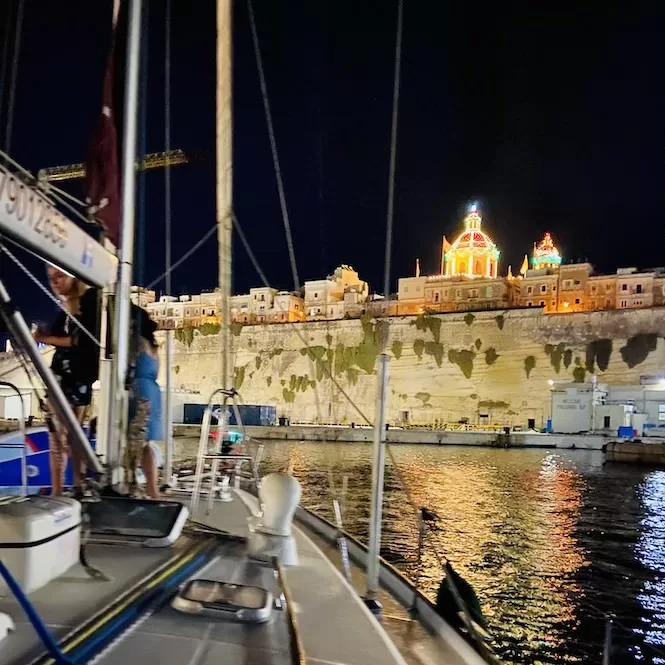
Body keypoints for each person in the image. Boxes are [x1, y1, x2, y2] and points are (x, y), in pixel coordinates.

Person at [33, 267, 100, 497]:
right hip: (78, 378)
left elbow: (75, 340)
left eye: (59, 277)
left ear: (73, 277)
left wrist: (44, 338)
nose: (54, 283)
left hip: (68, 377)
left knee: (60, 437)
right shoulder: (80, 304)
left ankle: (60, 491)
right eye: (50, 279)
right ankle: (76, 487)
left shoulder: (78, 304)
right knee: (73, 436)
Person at [124, 309, 162, 499]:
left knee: (134, 442)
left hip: (139, 392)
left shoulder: (136, 343)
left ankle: (131, 484)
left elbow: (127, 366)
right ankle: (152, 488)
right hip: (153, 392)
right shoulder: (154, 348)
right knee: (147, 444)